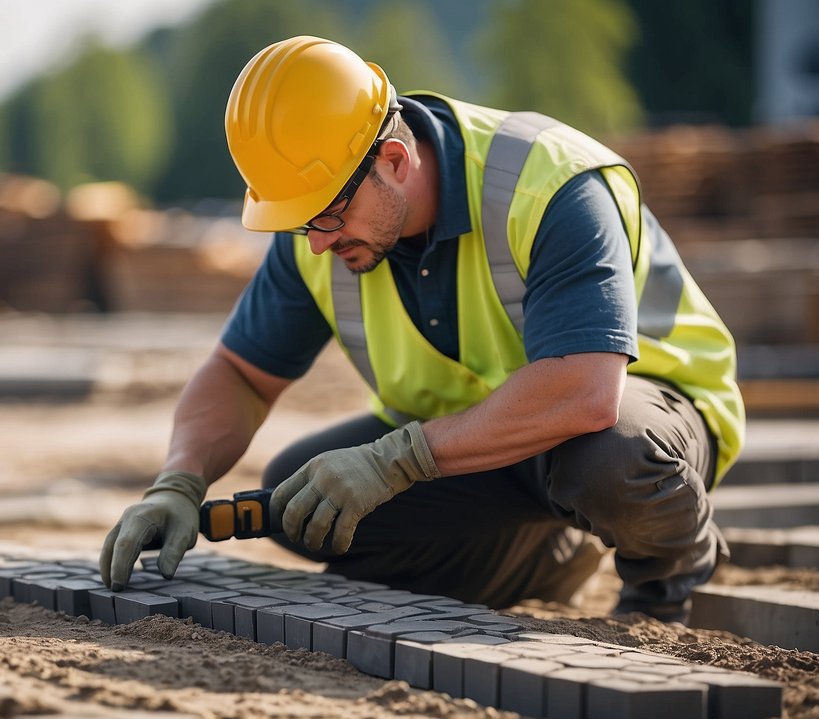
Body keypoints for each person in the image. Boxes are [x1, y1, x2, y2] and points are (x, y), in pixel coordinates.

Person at [99, 35, 744, 623]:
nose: (318, 244)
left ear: (394, 158)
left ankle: (669, 581)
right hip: (481, 444)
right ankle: (547, 556)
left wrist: (394, 461)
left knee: (613, 459)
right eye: (301, 223)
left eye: (328, 215)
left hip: (638, 417)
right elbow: (240, 374)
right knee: (301, 499)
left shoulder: (549, 186)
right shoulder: (318, 234)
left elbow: (584, 392)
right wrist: (179, 481)